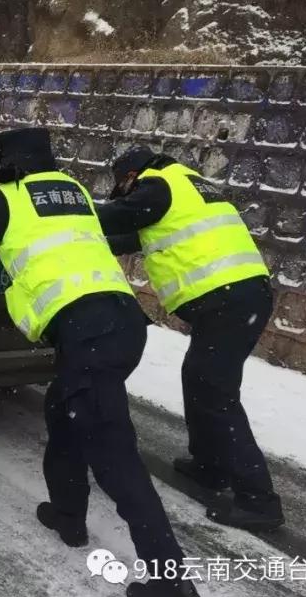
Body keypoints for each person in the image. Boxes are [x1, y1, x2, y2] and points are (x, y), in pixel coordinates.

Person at [0, 128, 200, 597]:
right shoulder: (73, 191)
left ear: (7, 165)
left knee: (115, 458)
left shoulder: (10, 198)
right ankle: (68, 514)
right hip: (120, 323)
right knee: (65, 410)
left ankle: (171, 582)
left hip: (89, 333)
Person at [97, 146, 283, 532]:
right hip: (239, 296)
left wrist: (65, 219)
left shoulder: (156, 185)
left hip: (229, 299)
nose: (126, 193)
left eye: (124, 187)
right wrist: (92, 244)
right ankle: (210, 466)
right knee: (199, 379)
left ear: (131, 176)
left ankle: (259, 501)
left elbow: (111, 217)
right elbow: (134, 236)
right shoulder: (187, 186)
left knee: (215, 392)